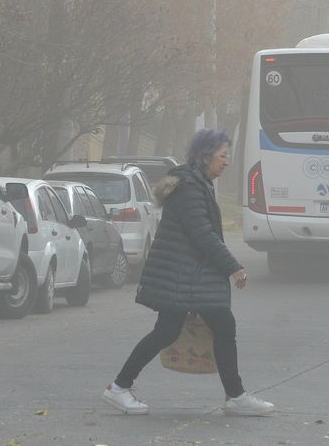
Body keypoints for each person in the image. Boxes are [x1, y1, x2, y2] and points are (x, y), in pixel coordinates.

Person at [102, 129, 274, 417]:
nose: (227, 161)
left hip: (187, 277)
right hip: (185, 277)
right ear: (205, 157)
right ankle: (235, 396)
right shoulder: (190, 188)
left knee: (175, 330)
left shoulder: (196, 183)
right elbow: (203, 235)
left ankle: (120, 387)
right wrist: (234, 267)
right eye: (222, 156)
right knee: (213, 327)